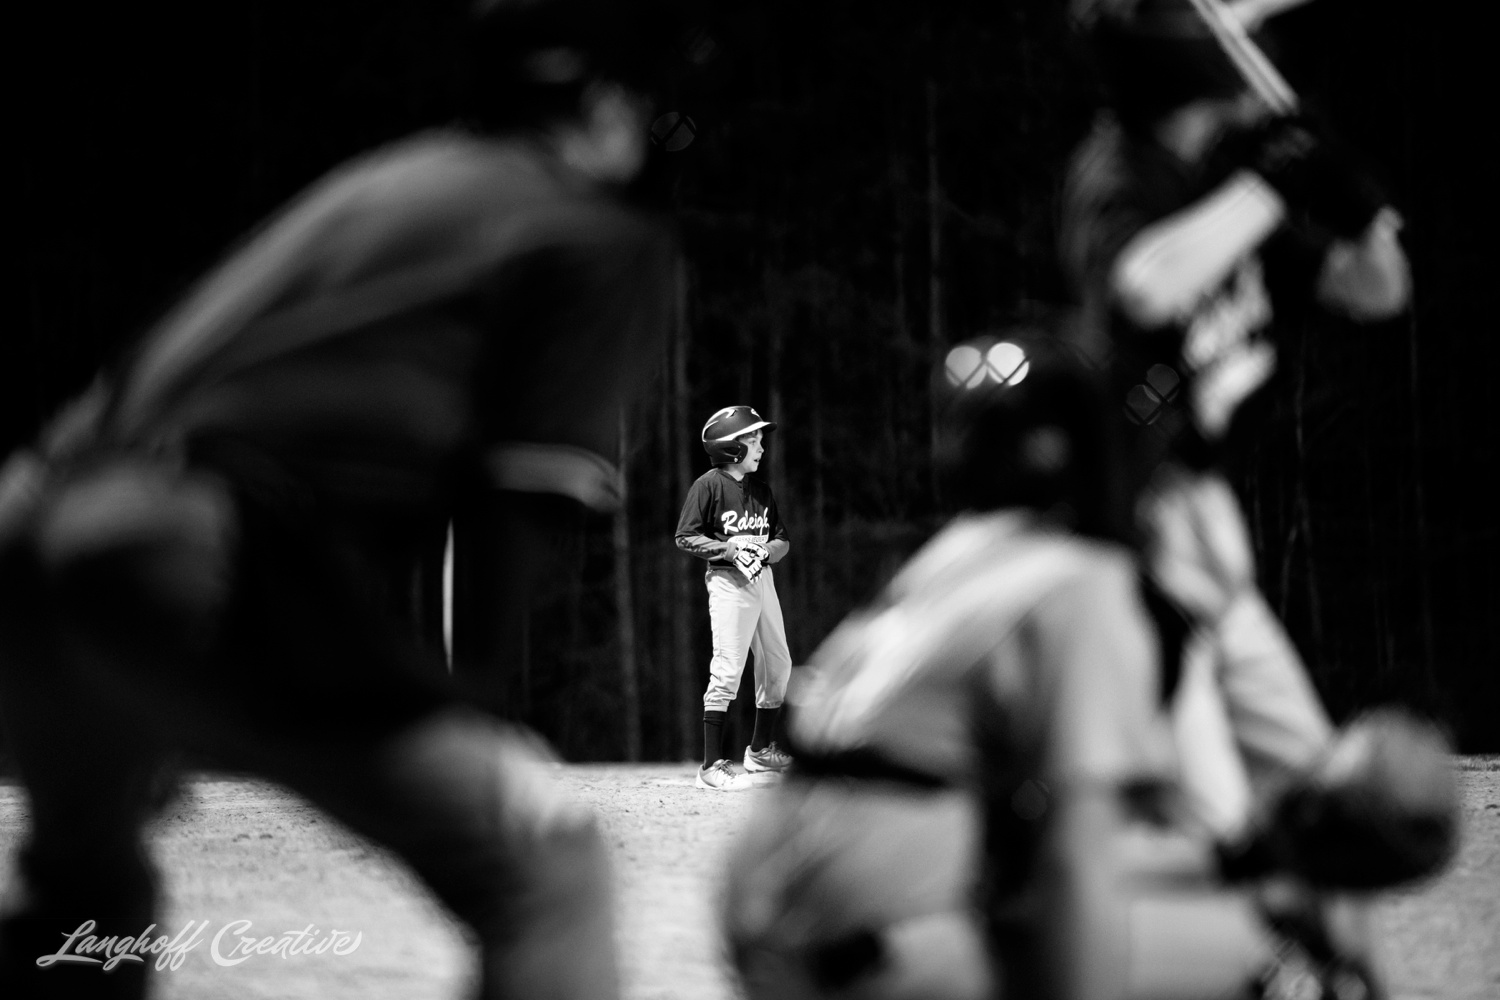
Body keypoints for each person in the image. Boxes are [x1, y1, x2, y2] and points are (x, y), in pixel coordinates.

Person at [0, 1, 682, 997]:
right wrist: (480, 703)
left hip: (28, 520)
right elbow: (526, 488)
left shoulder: (380, 184)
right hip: (180, 542)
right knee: (546, 866)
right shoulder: (589, 228)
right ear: (604, 103)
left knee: (84, 894)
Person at [720, 336, 1458, 1000]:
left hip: (794, 923)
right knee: (1295, 971)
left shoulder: (959, 562)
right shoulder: (1081, 584)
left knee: (1226, 894)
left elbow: (1033, 839)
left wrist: (1243, 863)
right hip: (878, 944)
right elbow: (1074, 864)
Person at [1059, 0, 1415, 839]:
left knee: (1325, 804)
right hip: (1129, 542)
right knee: (1213, 821)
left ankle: (1314, 964)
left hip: (1207, 538)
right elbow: (1145, 284)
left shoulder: (1230, 188)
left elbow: (1379, 291)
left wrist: (1358, 210)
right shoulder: (1121, 173)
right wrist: (1269, 189)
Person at [675, 405, 795, 791]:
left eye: (760, 440)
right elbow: (685, 536)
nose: (761, 447)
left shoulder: (761, 491)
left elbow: (782, 539)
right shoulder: (708, 485)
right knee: (728, 669)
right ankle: (710, 767)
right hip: (728, 583)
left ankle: (759, 751)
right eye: (753, 440)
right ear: (731, 448)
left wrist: (766, 551)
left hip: (763, 582)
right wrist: (729, 551)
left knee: (778, 664)